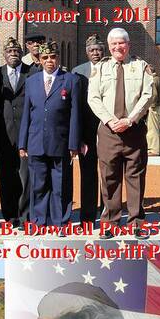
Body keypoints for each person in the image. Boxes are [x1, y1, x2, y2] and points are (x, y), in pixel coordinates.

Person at [88, 28, 153, 239]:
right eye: (114, 44)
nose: (118, 47)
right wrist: (111, 120)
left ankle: (136, 223)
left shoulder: (140, 66)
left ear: (128, 45)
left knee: (135, 178)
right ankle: (111, 222)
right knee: (109, 179)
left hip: (133, 131)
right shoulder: (100, 68)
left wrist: (130, 120)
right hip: (108, 131)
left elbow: (147, 95)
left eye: (121, 43)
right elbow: (93, 98)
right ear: (109, 46)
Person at [18, 41, 81, 230]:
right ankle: (38, 222)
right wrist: (23, 143)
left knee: (60, 185)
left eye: (53, 57)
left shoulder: (70, 80)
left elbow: (75, 115)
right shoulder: (31, 82)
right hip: (36, 141)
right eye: (45, 57)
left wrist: (73, 144)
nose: (49, 61)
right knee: (37, 184)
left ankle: (60, 222)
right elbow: (26, 114)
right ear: (40, 60)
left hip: (60, 142)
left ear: (58, 58)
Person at [0, 37, 34, 228]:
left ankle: (25, 214)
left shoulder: (32, 72)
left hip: (26, 134)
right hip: (4, 134)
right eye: (9, 52)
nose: (13, 55)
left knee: (25, 176)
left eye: (16, 52)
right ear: (4, 54)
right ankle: (9, 215)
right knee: (6, 176)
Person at [71, 34, 105, 224]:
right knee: (88, 174)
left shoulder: (111, 68)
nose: (96, 53)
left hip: (108, 130)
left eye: (99, 49)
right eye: (92, 50)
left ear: (104, 51)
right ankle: (88, 216)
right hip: (87, 132)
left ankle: (107, 213)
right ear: (86, 52)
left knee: (108, 174)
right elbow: (76, 106)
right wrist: (79, 136)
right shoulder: (78, 72)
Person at [146, 64, 160, 156]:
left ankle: (153, 150)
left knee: (152, 128)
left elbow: (153, 94)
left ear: (149, 71)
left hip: (154, 106)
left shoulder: (152, 80)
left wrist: (151, 105)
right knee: (159, 128)